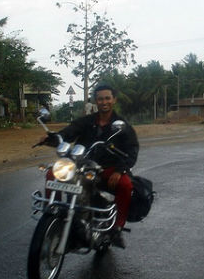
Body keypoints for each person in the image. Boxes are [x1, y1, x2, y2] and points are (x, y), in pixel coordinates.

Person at [39, 83, 139, 248]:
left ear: (114, 100)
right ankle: (53, 213)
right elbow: (68, 132)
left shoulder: (121, 125)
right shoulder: (86, 121)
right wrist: (52, 138)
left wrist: (120, 170)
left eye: (107, 98)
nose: (104, 102)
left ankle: (117, 228)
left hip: (108, 168)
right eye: (100, 99)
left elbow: (132, 149)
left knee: (126, 185)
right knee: (53, 174)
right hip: (83, 166)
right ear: (95, 101)